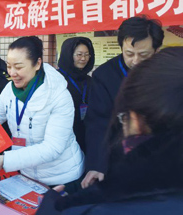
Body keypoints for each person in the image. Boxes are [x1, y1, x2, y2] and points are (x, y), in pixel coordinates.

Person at [36, 47, 183, 215]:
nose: (135, 60)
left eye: (123, 118)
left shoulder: (100, 208)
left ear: (135, 120)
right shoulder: (103, 74)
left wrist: (49, 210)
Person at [0, 36, 84, 192]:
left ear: (37, 63)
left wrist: (6, 160)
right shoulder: (10, 90)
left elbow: (53, 147)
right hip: (27, 174)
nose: (12, 73)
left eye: (18, 66)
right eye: (9, 66)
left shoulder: (59, 95)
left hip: (61, 177)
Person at [82, 16, 164, 188]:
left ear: (156, 50)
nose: (135, 61)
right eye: (129, 54)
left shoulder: (166, 72)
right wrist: (97, 165)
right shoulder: (104, 76)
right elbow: (98, 124)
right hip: (119, 159)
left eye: (143, 55)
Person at [58, 37, 95, 153]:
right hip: (63, 137)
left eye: (87, 54)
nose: (83, 59)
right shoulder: (57, 79)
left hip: (86, 135)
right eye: (79, 54)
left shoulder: (90, 81)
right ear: (68, 55)